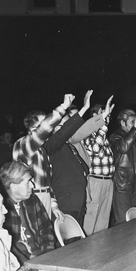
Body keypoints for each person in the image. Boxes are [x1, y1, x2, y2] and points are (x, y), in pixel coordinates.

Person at [13, 95, 73, 221]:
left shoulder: (41, 149)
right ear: (33, 128)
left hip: (44, 196)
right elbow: (45, 127)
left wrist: (54, 205)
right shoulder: (24, 144)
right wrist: (63, 107)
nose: (49, 125)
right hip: (32, 197)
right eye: (44, 122)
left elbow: (46, 181)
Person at [47, 92, 94, 226]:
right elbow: (63, 134)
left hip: (77, 201)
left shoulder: (68, 146)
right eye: (65, 124)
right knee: (68, 242)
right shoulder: (51, 145)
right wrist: (84, 108)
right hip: (66, 203)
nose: (69, 128)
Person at [0, 161, 55, 265]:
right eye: (28, 182)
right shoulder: (1, 209)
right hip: (19, 262)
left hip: (41, 257)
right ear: (13, 186)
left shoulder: (32, 200)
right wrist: (29, 260)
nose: (32, 185)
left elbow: (46, 229)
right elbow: (8, 246)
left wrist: (48, 256)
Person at [110, 93, 136, 224]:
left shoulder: (132, 139)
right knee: (123, 223)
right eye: (132, 122)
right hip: (121, 187)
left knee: (132, 224)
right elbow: (123, 147)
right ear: (122, 122)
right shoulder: (116, 136)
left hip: (134, 187)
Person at [82, 98, 115, 235]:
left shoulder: (103, 137)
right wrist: (103, 126)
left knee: (103, 221)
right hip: (96, 181)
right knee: (91, 220)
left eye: (108, 115)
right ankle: (86, 253)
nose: (107, 117)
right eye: (103, 114)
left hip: (108, 182)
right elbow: (95, 149)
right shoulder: (88, 134)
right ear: (95, 117)